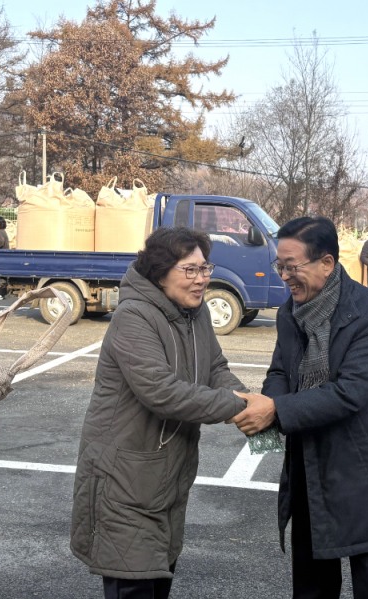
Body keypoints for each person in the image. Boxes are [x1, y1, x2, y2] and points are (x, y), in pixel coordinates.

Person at [232, 216, 368, 599]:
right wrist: (268, 402)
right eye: (279, 266)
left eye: (292, 266)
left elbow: (350, 392)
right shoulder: (289, 313)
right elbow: (282, 370)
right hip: (309, 464)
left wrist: (277, 413)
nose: (284, 276)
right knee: (312, 585)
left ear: (327, 263)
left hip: (364, 467)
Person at [70, 227, 249, 599]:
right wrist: (240, 407)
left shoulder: (193, 312)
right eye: (190, 270)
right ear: (160, 272)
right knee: (133, 584)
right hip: (124, 478)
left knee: (158, 580)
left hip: (165, 478)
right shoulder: (133, 317)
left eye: (205, 268)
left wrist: (249, 400)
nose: (201, 279)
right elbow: (162, 392)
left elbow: (215, 367)